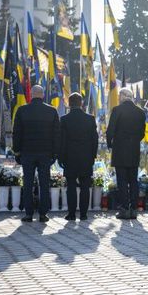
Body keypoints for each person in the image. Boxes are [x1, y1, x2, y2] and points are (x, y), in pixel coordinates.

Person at [12, 85, 60, 223]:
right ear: (43, 95)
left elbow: (17, 133)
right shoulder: (52, 111)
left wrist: (17, 151)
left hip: (27, 152)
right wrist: (55, 153)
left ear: (31, 95)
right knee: (44, 184)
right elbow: (57, 134)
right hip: (45, 153)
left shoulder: (22, 110)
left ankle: (28, 213)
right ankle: (43, 214)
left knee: (28, 183)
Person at [106, 88, 146, 220]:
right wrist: (133, 142)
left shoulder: (117, 110)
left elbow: (110, 130)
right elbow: (141, 133)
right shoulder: (140, 112)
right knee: (133, 180)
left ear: (123, 96)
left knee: (122, 180)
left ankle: (124, 209)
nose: (118, 98)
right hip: (134, 149)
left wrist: (110, 144)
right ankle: (134, 208)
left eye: (119, 96)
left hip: (120, 149)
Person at [59, 92, 98, 221]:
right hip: (86, 157)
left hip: (70, 157)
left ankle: (71, 214)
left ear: (69, 104)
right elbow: (94, 140)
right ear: (81, 103)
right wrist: (92, 156)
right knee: (85, 187)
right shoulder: (90, 119)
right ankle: (83, 214)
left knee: (70, 186)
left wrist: (61, 157)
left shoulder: (64, 119)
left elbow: (62, 140)